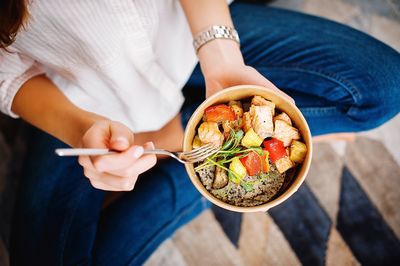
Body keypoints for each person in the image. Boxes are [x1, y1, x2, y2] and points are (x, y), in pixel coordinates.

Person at [1, 0, 399, 265]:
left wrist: (223, 60)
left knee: (385, 86)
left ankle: (191, 158)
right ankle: (195, 162)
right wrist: (80, 128)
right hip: (84, 97)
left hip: (195, 37)